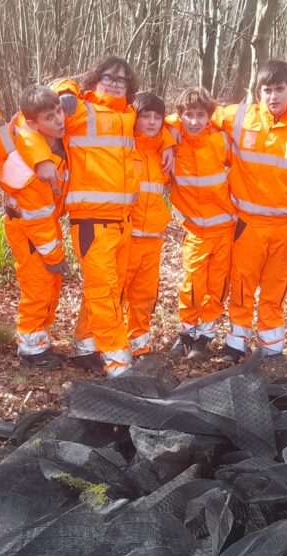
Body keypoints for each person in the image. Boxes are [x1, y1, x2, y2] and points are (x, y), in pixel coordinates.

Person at [51, 57, 174, 377]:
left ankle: (85, 344)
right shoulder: (80, 110)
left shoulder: (128, 115)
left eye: (122, 79)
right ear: (95, 79)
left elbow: (165, 124)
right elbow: (42, 101)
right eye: (108, 77)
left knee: (111, 287)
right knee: (104, 289)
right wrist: (65, 88)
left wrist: (171, 142)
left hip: (123, 220)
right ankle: (118, 360)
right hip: (91, 220)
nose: (115, 83)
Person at [212, 61, 287, 363]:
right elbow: (194, 115)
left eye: (279, 89)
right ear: (258, 92)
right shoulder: (240, 118)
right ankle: (235, 345)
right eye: (267, 90)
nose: (273, 96)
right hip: (247, 226)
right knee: (241, 287)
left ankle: (271, 349)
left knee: (275, 292)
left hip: (285, 230)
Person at [0, 85, 71, 370]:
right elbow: (37, 219)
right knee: (37, 288)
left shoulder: (46, 147)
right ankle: (29, 349)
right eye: (50, 117)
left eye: (59, 112)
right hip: (29, 232)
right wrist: (54, 257)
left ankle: (40, 340)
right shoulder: (32, 172)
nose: (60, 120)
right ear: (33, 125)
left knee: (49, 286)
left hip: (41, 229)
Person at [164, 87, 236, 362]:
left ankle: (204, 337)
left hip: (224, 229)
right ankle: (185, 333)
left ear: (209, 116)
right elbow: (164, 121)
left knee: (216, 286)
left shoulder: (221, 141)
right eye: (188, 115)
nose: (194, 121)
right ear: (180, 116)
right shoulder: (174, 141)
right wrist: (172, 130)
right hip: (194, 229)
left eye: (200, 115)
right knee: (192, 283)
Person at [122, 92, 174, 358]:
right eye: (146, 116)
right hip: (126, 236)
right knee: (116, 292)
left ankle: (138, 344)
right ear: (135, 118)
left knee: (144, 297)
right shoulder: (124, 147)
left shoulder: (161, 154)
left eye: (157, 117)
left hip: (153, 237)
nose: (152, 122)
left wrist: (166, 142)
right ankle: (104, 343)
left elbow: (187, 123)